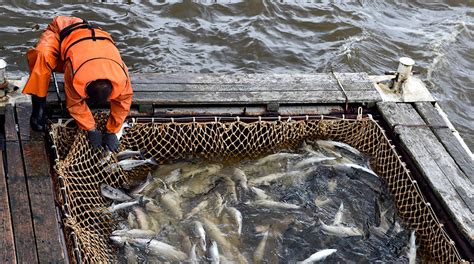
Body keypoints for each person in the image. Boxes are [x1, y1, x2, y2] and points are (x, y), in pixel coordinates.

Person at [22, 16, 133, 152]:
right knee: (42, 56)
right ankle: (38, 108)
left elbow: (123, 102)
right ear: (85, 88)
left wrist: (112, 131)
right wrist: (91, 129)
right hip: (62, 31)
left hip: (92, 38)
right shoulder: (76, 72)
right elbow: (74, 103)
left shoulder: (121, 76)